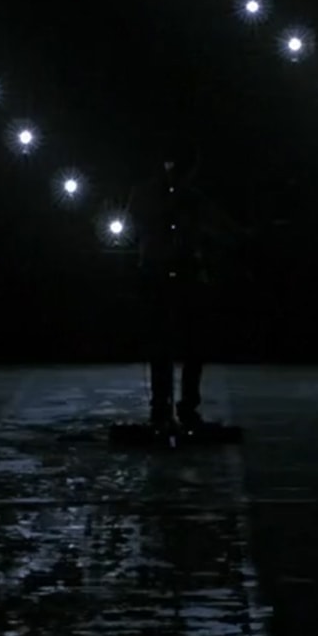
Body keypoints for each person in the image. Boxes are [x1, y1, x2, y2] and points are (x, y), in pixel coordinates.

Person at [126, 134, 246, 429]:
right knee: (166, 344)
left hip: (179, 271)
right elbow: (138, 225)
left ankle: (178, 406)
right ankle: (165, 407)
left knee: (189, 344)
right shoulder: (152, 195)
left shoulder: (191, 198)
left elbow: (218, 227)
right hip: (160, 272)